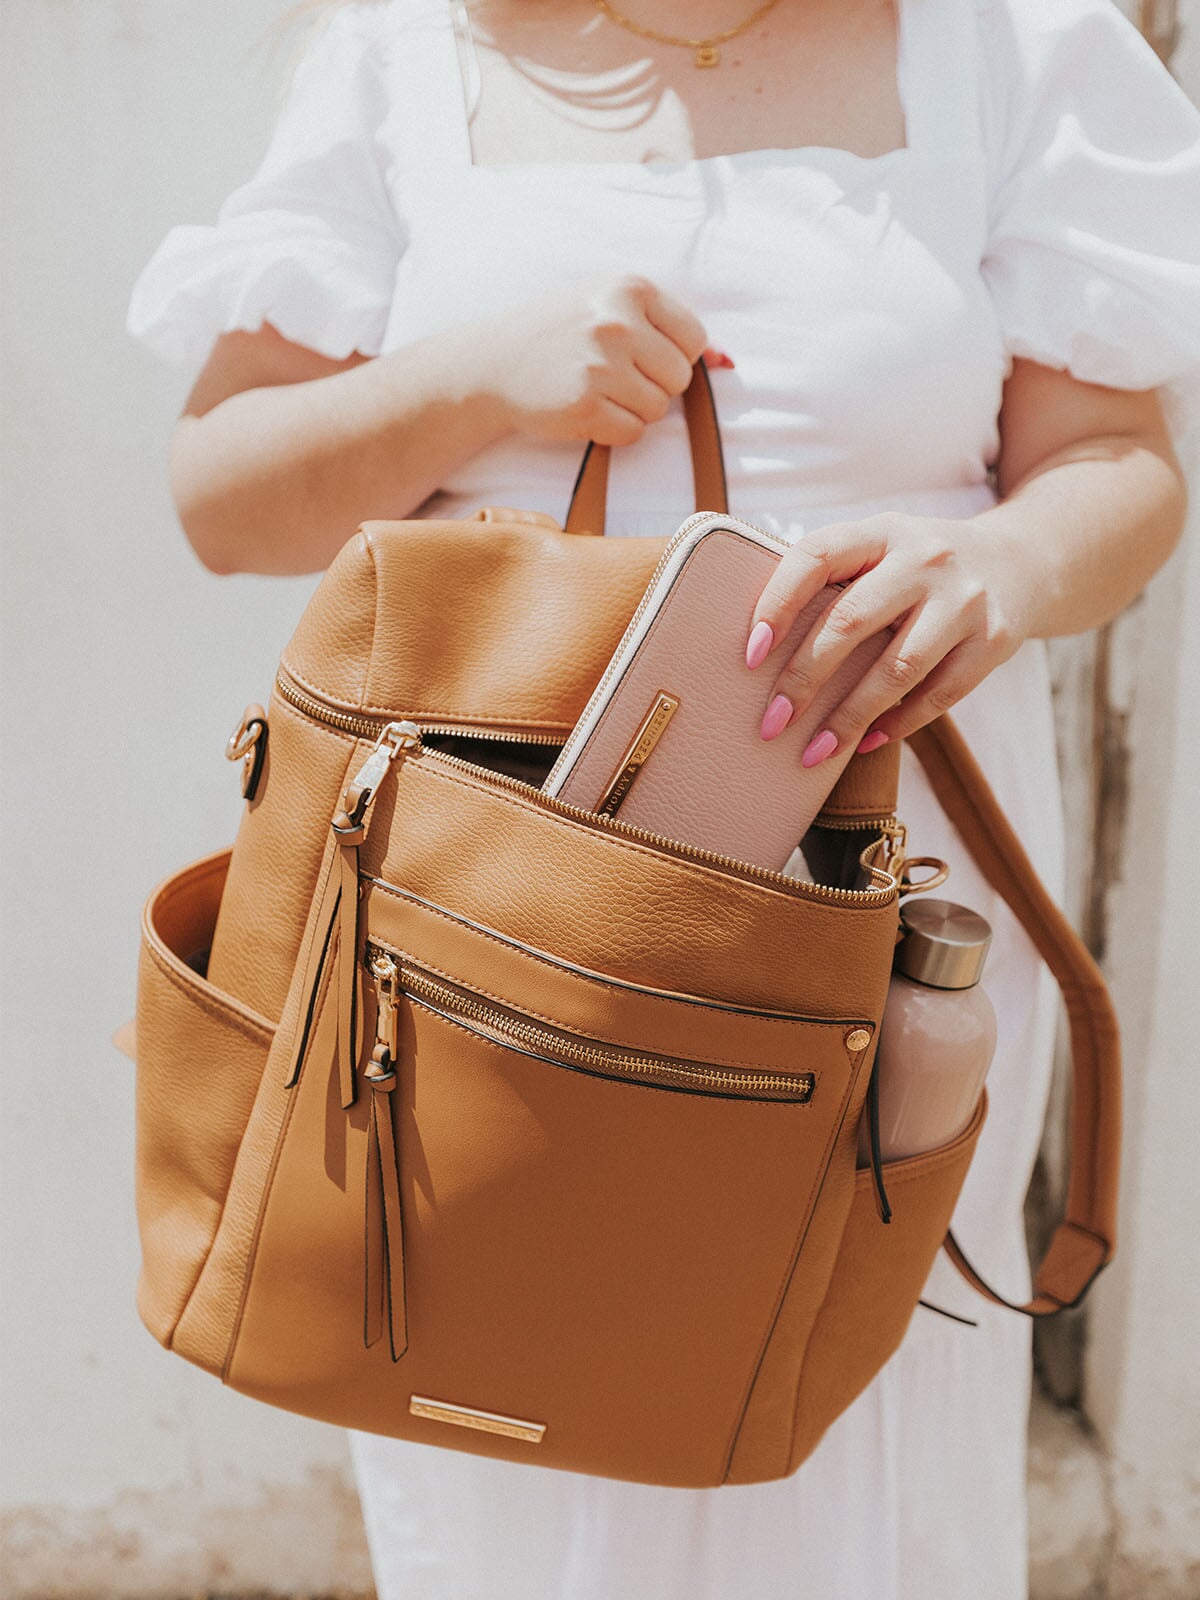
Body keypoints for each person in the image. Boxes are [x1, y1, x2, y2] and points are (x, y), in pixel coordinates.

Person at [126, 0, 1200, 1595]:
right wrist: (474, 381)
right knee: (492, 1352)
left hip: (878, 878)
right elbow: (226, 496)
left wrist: (998, 566)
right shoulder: (401, 58)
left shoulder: (1008, 42)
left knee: (851, 1391)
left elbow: (1120, 461)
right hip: (477, 909)